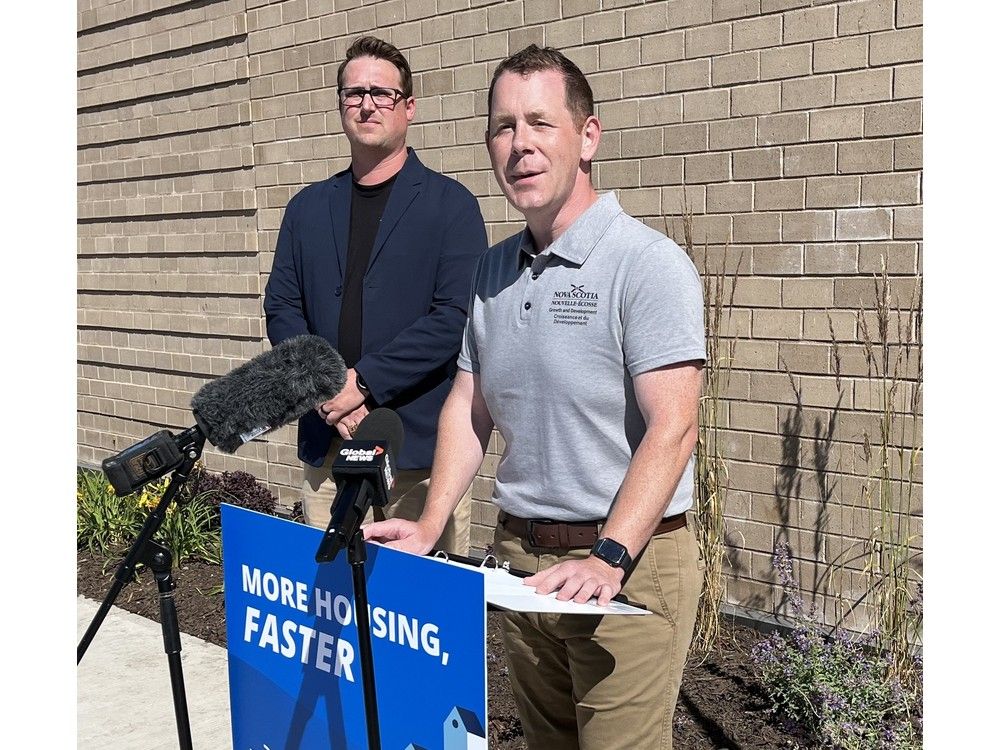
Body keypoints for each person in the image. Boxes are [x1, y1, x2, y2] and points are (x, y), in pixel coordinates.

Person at [364, 45, 706, 749]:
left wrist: (609, 556)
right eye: (503, 126)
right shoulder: (493, 269)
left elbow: (674, 425)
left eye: (540, 123)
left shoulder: (647, 264)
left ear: (588, 136)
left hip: (627, 571)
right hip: (520, 563)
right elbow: (469, 404)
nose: (519, 144)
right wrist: (431, 523)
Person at [264, 36, 487, 556]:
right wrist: (326, 388)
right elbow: (282, 307)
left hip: (420, 459)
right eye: (354, 92)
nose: (367, 104)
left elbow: (455, 317)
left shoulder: (451, 206)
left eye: (382, 93)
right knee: (332, 607)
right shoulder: (306, 209)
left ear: (408, 107)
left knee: (419, 618)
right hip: (328, 449)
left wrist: (361, 383)